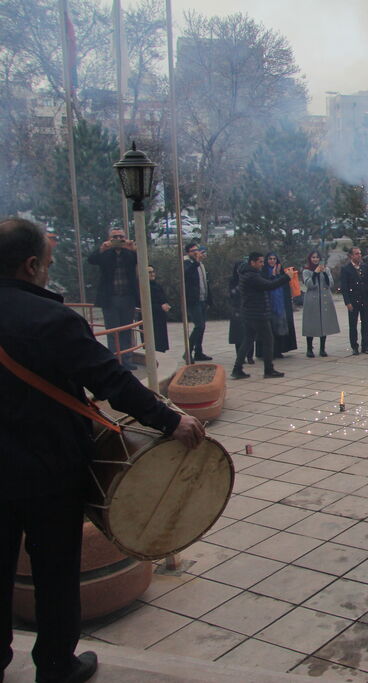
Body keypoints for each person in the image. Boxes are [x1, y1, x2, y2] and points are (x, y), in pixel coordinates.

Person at [0, 218, 205, 683]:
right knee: (54, 572)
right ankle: (55, 666)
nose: (48, 273)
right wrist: (172, 420)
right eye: (47, 265)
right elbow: (110, 381)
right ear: (31, 265)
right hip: (47, 471)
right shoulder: (51, 319)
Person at [232, 252, 293, 379]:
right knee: (268, 340)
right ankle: (268, 369)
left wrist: (275, 276)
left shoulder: (248, 274)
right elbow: (269, 286)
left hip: (250, 313)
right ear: (252, 262)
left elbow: (265, 283)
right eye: (260, 261)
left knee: (248, 340)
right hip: (257, 313)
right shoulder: (251, 276)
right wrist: (286, 277)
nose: (262, 264)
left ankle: (237, 369)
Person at [87, 227, 139, 367]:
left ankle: (127, 360)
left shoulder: (129, 253)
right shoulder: (105, 253)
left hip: (127, 297)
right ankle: (116, 361)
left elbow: (142, 260)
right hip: (110, 298)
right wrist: (102, 248)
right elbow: (91, 260)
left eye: (121, 236)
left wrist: (133, 248)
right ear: (109, 239)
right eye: (114, 237)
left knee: (126, 330)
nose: (118, 239)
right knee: (112, 332)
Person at [257, 253, 297, 360]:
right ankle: (269, 352)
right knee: (270, 330)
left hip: (280, 305)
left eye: (274, 259)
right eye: (270, 259)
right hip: (268, 306)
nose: (272, 261)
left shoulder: (281, 272)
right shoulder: (263, 273)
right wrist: (273, 276)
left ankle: (279, 350)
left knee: (280, 329)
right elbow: (266, 285)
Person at [302, 250, 340, 358]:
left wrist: (323, 273)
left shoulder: (326, 269)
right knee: (311, 324)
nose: (315, 259)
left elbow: (330, 284)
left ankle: (322, 348)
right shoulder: (306, 271)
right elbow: (309, 284)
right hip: (312, 299)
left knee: (324, 323)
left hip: (324, 299)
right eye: (313, 257)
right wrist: (315, 273)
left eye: (317, 257)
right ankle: (309, 348)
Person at [182, 242, 212, 361]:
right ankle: (188, 352)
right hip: (193, 300)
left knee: (202, 327)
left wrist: (209, 299)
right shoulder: (187, 263)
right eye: (193, 251)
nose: (197, 252)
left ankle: (199, 352)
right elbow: (187, 274)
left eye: (197, 250)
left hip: (202, 299)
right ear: (188, 253)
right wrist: (196, 261)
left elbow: (205, 282)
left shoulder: (200, 264)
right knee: (199, 326)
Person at [339, 247, 368, 355]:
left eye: (360, 253)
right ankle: (354, 346)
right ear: (351, 256)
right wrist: (347, 302)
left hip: (365, 300)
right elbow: (344, 287)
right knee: (353, 325)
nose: (359, 255)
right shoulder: (346, 269)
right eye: (356, 254)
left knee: (366, 324)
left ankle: (365, 345)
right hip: (353, 300)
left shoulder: (365, 267)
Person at [227, 260, 254, 366]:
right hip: (237, 308)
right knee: (238, 334)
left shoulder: (250, 278)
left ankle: (250, 356)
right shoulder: (233, 280)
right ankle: (240, 356)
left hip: (248, 308)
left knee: (250, 333)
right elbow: (232, 294)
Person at [147, 265, 170, 353]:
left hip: (160, 317)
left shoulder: (157, 285)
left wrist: (166, 304)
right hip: (150, 318)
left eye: (153, 272)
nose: (152, 274)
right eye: (149, 272)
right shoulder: (143, 286)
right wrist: (160, 306)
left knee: (161, 342)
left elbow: (163, 298)